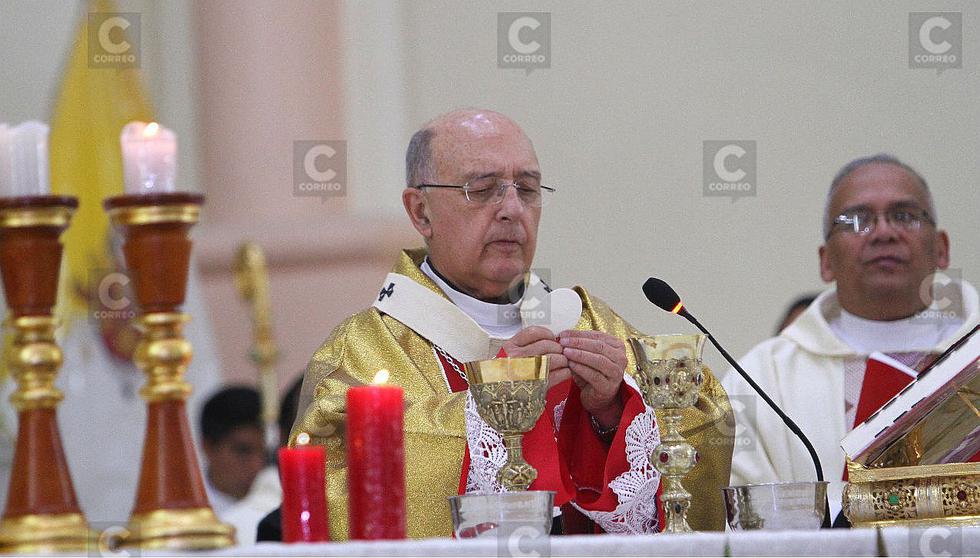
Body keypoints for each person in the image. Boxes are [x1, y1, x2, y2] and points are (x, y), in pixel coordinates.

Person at [291, 109, 734, 539]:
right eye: (481, 189)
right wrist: (490, 406)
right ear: (420, 212)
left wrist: (612, 415)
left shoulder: (593, 324)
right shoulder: (363, 351)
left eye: (527, 188)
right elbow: (336, 476)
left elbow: (703, 422)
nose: (511, 209)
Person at [723, 154, 978, 522]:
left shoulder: (974, 355)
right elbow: (742, 524)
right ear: (826, 260)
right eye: (857, 220)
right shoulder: (762, 378)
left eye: (905, 215)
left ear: (942, 248)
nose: (883, 232)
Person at [200, 386, 267, 518]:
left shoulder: (280, 503)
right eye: (243, 451)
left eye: (266, 453)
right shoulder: (183, 511)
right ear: (209, 448)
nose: (257, 466)